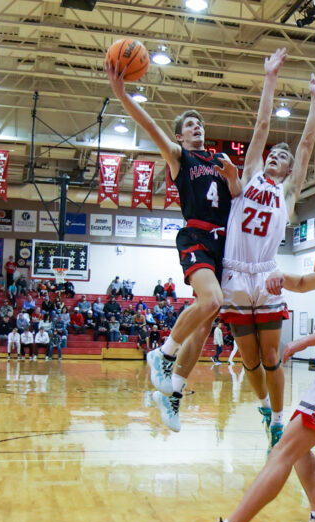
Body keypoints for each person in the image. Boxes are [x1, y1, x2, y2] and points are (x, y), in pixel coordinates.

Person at [212, 205, 315, 522]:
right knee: (297, 446)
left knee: (283, 451)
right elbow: (301, 282)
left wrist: (304, 341)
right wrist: (277, 276)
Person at [107, 54, 242, 433]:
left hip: (223, 246)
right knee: (211, 301)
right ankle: (162, 353)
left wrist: (233, 176)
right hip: (196, 234)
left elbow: (238, 196)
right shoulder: (180, 157)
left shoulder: (220, 162)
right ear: (180, 136)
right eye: (189, 125)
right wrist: (122, 94)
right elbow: (149, 125)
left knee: (204, 325)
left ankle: (173, 395)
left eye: (200, 123)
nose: (197, 126)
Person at [218, 49, 315, 446]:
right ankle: (264, 406)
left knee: (270, 357)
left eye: (283, 156)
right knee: (247, 360)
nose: (278, 156)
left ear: (286, 169)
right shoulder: (247, 177)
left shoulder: (287, 192)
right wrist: (270, 77)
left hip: (265, 273)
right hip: (234, 272)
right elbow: (262, 124)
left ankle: (279, 420)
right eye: (273, 154)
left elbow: (307, 144)